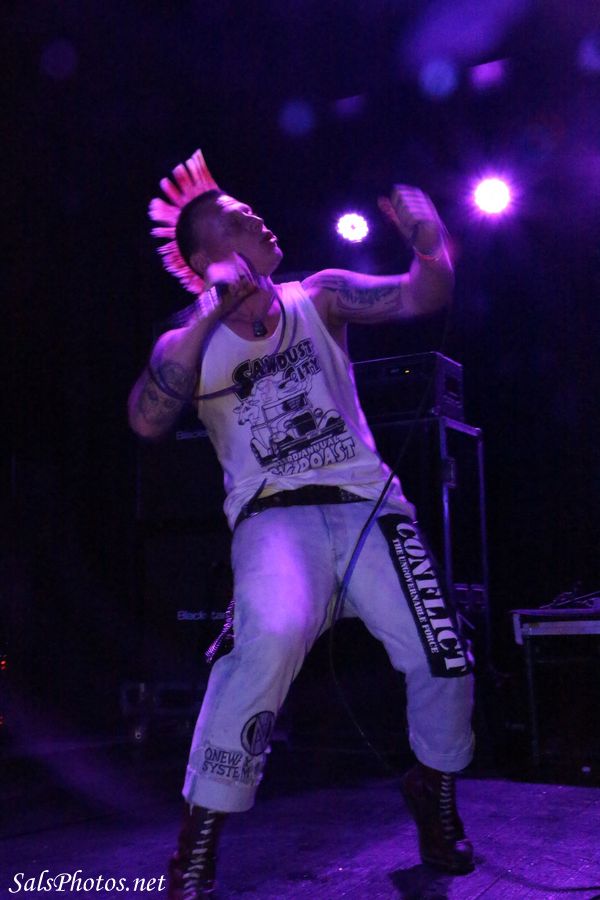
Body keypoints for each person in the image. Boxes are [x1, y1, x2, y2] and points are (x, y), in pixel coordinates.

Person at [128, 150, 475, 898]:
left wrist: (428, 241)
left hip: (369, 507)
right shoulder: (186, 342)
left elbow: (424, 292)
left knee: (442, 653)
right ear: (206, 253)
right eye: (239, 217)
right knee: (268, 643)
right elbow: (147, 419)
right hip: (273, 520)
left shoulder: (319, 296)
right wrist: (209, 312)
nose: (259, 217)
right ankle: (199, 840)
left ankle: (435, 791)